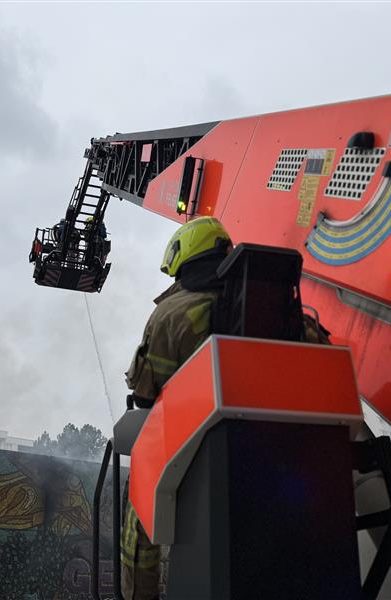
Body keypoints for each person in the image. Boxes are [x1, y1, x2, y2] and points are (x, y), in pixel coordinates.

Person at [121, 216, 232, 600]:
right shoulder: (282, 307)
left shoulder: (172, 315)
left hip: (196, 452)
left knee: (139, 516)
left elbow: (145, 395)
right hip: (291, 448)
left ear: (182, 255)